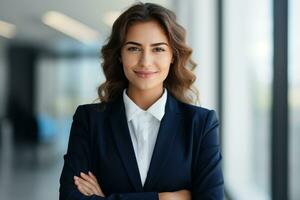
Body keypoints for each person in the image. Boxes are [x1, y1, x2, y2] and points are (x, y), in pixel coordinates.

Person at [59, 2, 224, 200]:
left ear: (173, 55)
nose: (145, 61)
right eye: (134, 48)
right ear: (120, 54)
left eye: (158, 49)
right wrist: (165, 198)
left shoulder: (201, 124)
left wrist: (107, 197)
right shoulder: (90, 120)